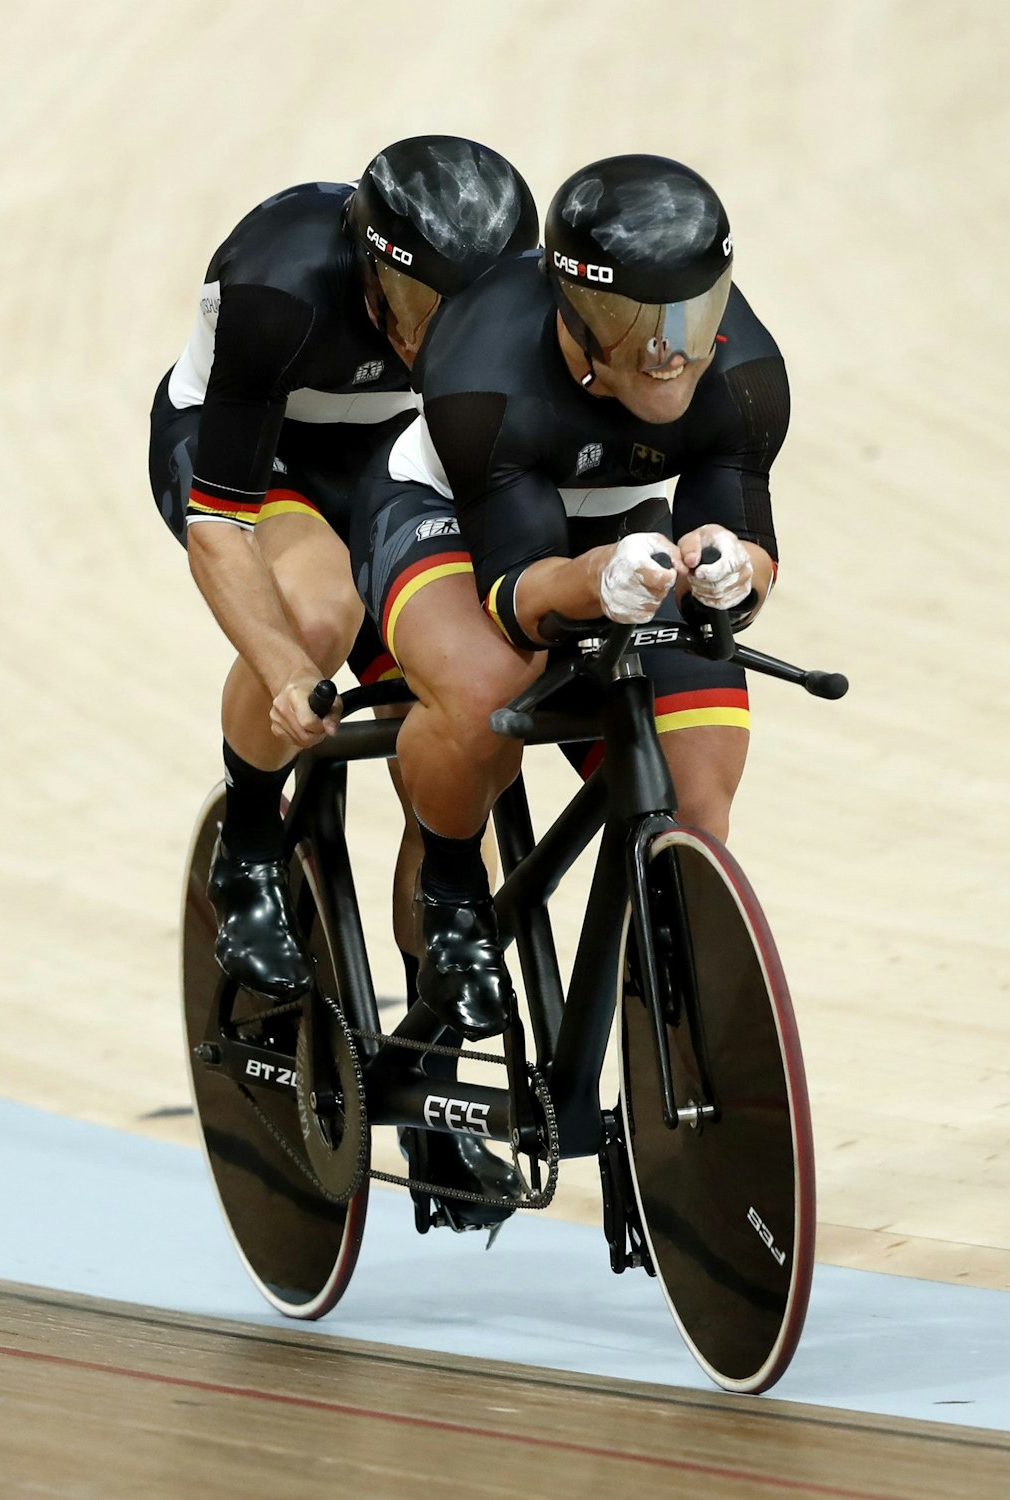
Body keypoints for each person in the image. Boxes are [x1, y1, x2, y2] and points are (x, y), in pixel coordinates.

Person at [350, 155, 787, 1081]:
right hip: (458, 514)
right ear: (574, 314)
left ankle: (664, 1059)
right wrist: (594, 580)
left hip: (611, 522)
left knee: (698, 793)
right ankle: (452, 883)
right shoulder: (481, 372)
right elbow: (513, 599)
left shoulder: (744, 372)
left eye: (692, 316)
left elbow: (752, 548)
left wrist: (727, 573)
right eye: (636, 326)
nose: (670, 351)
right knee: (482, 693)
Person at [147, 136, 536, 1007]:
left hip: (383, 466)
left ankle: (425, 1061)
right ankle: (246, 851)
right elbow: (220, 526)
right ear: (365, 259)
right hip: (256, 456)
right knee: (319, 616)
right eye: (411, 298)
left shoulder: (521, 306)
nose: (429, 331)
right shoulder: (276, 282)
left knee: (449, 731)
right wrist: (287, 671)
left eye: (461, 309)